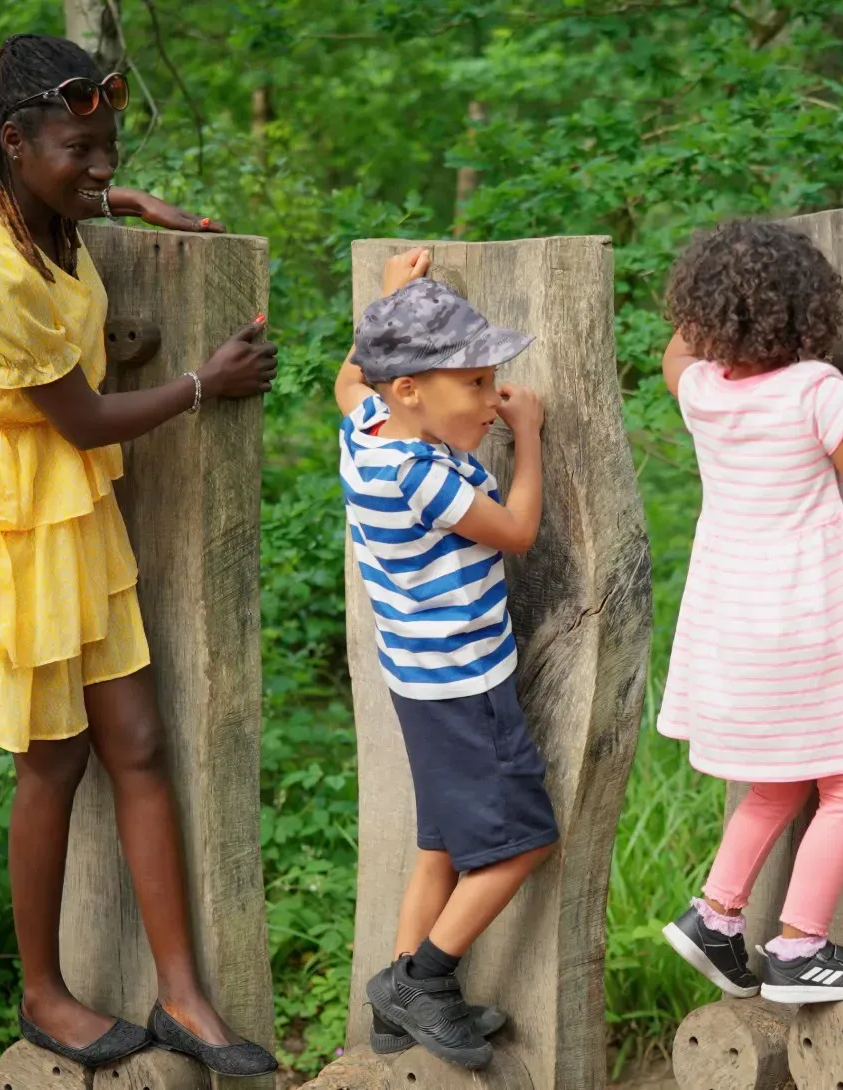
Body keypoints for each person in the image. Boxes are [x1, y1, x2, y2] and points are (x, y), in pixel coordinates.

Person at [0, 34, 278, 1076]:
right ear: (13, 142)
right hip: (10, 510)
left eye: (109, 146)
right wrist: (205, 384)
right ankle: (42, 993)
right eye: (81, 151)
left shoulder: (42, 210)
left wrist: (124, 203)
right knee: (52, 758)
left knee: (138, 742)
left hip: (66, 508)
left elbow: (70, 199)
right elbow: (86, 418)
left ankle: (182, 994)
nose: (98, 165)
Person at [653, 219, 843, 1004]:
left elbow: (677, 352)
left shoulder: (702, 390)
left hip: (732, 620)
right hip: (805, 619)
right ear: (811, 312)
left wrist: (710, 309)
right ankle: (800, 947)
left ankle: (715, 915)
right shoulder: (818, 393)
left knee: (776, 782)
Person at [331, 249, 556, 1070]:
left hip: (418, 678)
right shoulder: (422, 474)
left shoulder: (369, 428)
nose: (494, 402)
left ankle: (395, 1012)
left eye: (496, 385)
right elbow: (519, 531)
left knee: (441, 845)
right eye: (478, 385)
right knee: (525, 840)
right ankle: (426, 980)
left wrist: (391, 309)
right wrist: (527, 439)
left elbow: (347, 381)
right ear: (412, 391)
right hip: (466, 686)